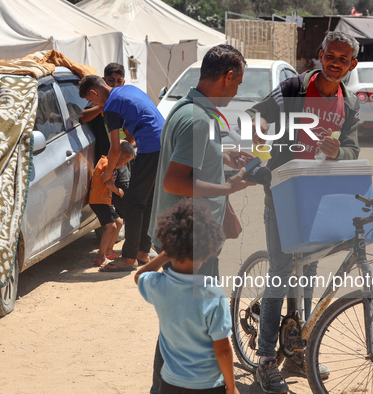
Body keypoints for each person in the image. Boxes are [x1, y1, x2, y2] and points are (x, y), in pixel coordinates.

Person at [246, 31, 361, 393]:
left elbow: (354, 151)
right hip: (281, 196)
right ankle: (266, 357)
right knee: (281, 273)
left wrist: (336, 152)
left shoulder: (351, 105)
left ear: (351, 65)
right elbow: (256, 117)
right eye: (331, 55)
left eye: (343, 59)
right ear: (321, 55)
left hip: (319, 201)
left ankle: (297, 350)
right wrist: (260, 147)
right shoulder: (293, 89)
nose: (336, 62)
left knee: (308, 270)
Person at [146, 44, 254, 393]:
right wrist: (229, 190)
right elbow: (175, 180)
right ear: (228, 77)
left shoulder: (190, 110)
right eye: (238, 83)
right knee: (191, 325)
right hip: (191, 242)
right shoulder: (197, 118)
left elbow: (195, 163)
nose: (237, 90)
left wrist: (224, 156)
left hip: (189, 235)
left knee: (177, 322)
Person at [136, 199, 239, 394]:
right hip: (208, 385)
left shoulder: (159, 285)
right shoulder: (214, 294)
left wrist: (165, 254)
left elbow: (139, 276)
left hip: (170, 382)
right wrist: (232, 387)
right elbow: (223, 349)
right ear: (208, 253)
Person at [79, 73, 163, 271]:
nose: (93, 103)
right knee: (147, 201)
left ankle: (128, 258)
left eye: (91, 100)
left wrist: (108, 172)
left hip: (151, 147)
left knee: (133, 203)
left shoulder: (110, 108)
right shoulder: (129, 90)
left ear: (94, 92)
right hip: (165, 142)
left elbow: (114, 148)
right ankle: (143, 252)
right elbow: (140, 121)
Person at [80, 63, 130, 239]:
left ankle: (129, 235)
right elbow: (83, 117)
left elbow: (131, 131)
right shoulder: (96, 102)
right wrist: (103, 104)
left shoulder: (123, 103)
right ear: (104, 81)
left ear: (123, 82)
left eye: (119, 81)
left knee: (122, 192)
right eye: (111, 80)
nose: (115, 84)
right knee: (104, 196)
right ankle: (108, 233)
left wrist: (125, 150)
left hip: (119, 158)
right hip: (103, 157)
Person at [89, 141, 135, 270]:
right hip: (98, 201)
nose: (125, 164)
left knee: (119, 222)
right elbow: (106, 181)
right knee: (111, 227)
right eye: (124, 160)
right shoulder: (106, 163)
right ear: (116, 154)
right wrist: (117, 190)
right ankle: (100, 256)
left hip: (105, 201)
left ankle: (109, 251)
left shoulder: (112, 165)